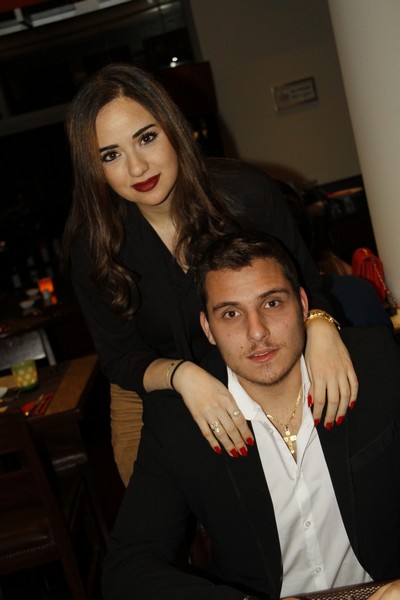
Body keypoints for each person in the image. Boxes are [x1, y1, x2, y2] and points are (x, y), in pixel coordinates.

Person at [63, 62, 357, 485]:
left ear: (173, 127)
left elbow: (306, 284)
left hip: (258, 362)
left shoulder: (247, 195)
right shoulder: (92, 244)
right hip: (151, 384)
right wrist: (183, 376)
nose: (137, 167)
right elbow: (119, 357)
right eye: (111, 155)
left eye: (146, 138)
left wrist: (322, 328)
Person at [102, 231, 400, 600]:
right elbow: (128, 567)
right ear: (208, 329)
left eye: (272, 303)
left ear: (303, 305)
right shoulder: (177, 420)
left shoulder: (376, 362)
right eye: (231, 314)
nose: (256, 331)